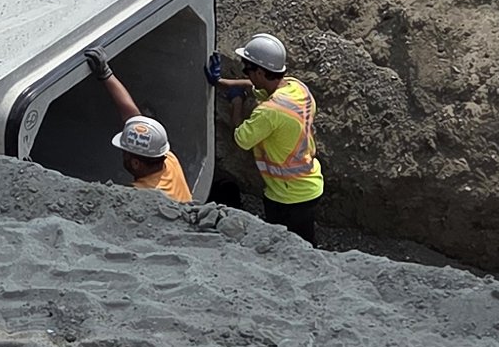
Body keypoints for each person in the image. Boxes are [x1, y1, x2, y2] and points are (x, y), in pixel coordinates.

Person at [214, 31, 324, 244]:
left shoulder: (269, 112)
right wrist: (221, 82)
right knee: (305, 243)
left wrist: (235, 105)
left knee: (287, 248)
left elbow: (241, 138)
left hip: (287, 196)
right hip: (309, 184)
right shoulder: (297, 88)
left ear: (261, 72)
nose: (247, 75)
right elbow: (255, 88)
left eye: (248, 70)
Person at [83, 50, 192, 204]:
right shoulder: (168, 160)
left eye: (125, 152)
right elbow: (133, 117)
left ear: (135, 163)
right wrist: (106, 74)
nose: (123, 154)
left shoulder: (139, 196)